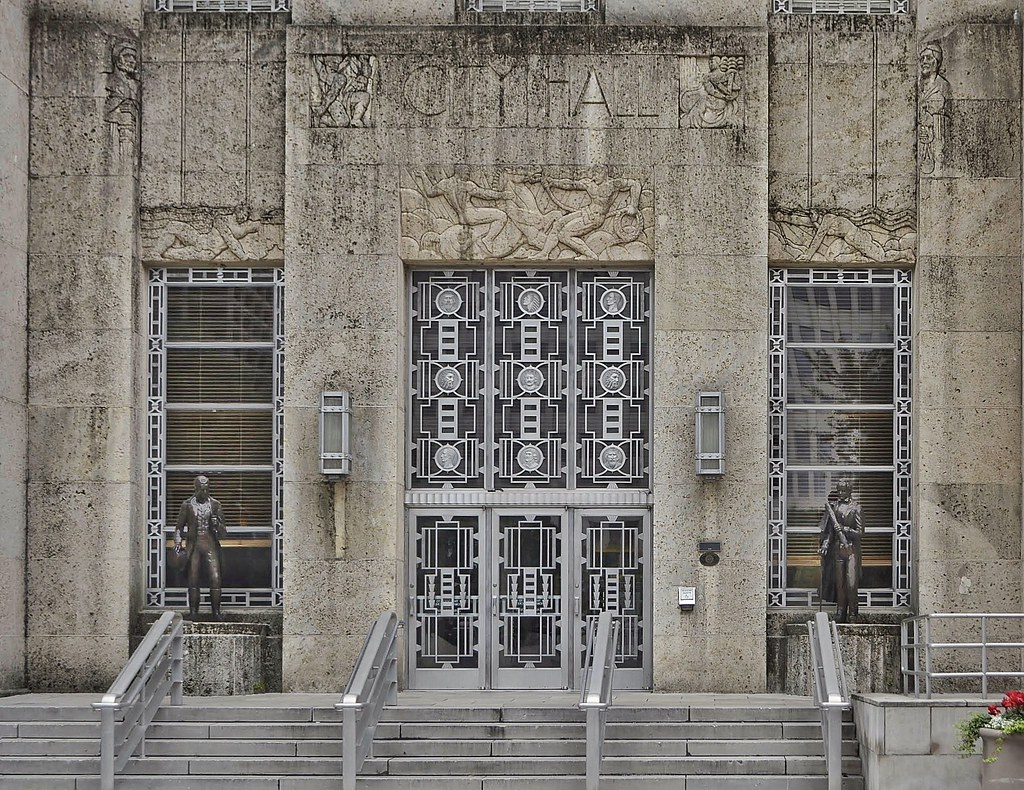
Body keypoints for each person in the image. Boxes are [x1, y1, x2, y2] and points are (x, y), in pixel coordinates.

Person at [175, 475, 227, 620]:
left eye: (206, 489)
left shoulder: (215, 505)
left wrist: (217, 524)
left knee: (216, 578)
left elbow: (224, 533)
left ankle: (216, 613)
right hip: (194, 545)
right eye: (201, 489)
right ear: (195, 488)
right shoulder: (187, 505)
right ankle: (193, 612)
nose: (204, 492)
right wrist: (178, 542)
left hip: (211, 544)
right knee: (193, 579)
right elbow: (178, 528)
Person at [818, 480, 863, 623]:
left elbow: (860, 532)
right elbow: (830, 531)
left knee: (851, 584)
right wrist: (825, 544)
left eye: (844, 490)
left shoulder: (856, 508)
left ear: (849, 491)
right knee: (840, 584)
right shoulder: (834, 507)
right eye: (839, 491)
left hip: (851, 550)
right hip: (837, 550)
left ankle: (853, 613)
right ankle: (840, 611)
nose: (841, 493)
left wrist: (845, 529)